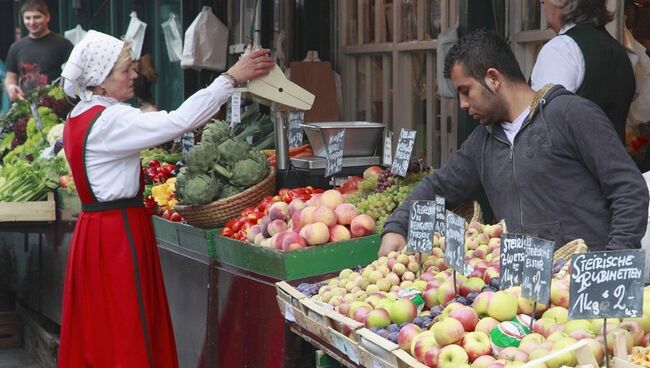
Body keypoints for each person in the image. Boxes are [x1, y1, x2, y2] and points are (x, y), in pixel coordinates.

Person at [57, 30, 274, 367]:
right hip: (117, 235)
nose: (134, 75)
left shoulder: (80, 115)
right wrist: (229, 78)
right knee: (127, 322)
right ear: (100, 82)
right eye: (125, 70)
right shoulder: (110, 119)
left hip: (94, 232)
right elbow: (179, 122)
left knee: (102, 324)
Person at [378, 29, 648, 256]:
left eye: (466, 91)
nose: (462, 104)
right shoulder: (481, 143)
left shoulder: (571, 114)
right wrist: (397, 226)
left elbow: (628, 189)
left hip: (584, 286)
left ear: (493, 78)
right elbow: (438, 186)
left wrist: (613, 261)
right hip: (523, 293)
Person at [530, 0, 635, 145]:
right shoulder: (619, 51)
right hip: (614, 165)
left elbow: (545, 131)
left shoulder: (561, 49)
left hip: (571, 166)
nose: (541, 1)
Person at [4, 0, 73, 101]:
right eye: (27, 18)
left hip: (56, 106)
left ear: (47, 17)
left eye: (37, 17)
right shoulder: (16, 47)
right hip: (25, 105)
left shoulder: (63, 44)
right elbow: (11, 76)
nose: (32, 22)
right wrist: (10, 86)